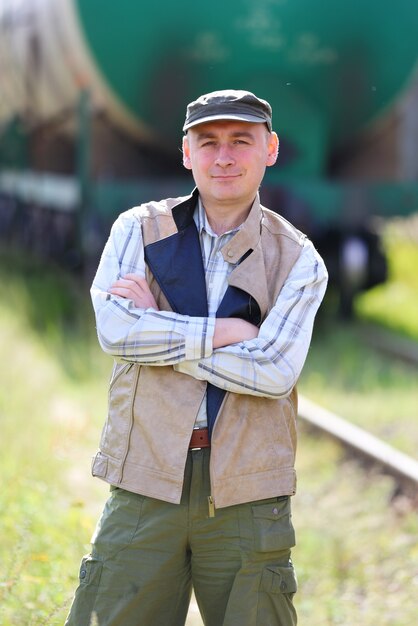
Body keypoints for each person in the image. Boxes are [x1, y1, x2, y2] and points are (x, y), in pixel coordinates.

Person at [65, 89, 328, 626]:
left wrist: (159, 338)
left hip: (249, 493)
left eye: (241, 141)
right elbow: (115, 330)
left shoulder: (300, 258)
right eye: (208, 143)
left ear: (271, 149)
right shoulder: (135, 229)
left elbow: (274, 372)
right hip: (145, 478)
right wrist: (229, 333)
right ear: (187, 154)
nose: (224, 156)